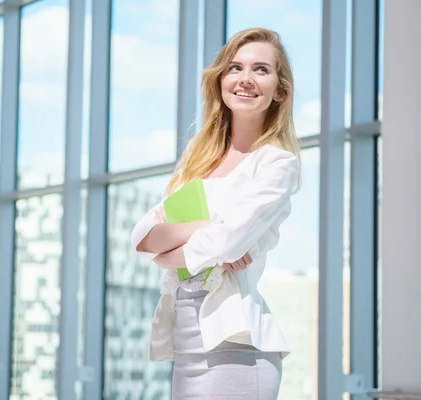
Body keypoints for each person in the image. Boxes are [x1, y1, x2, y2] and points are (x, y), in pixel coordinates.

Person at [130, 27, 301, 399]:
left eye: (261, 69)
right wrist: (207, 227)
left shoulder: (275, 164)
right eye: (235, 68)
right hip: (188, 349)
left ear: (279, 90)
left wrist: (173, 248)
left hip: (236, 351)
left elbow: (226, 243)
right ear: (221, 80)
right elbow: (143, 239)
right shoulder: (198, 163)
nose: (245, 79)